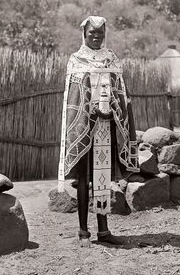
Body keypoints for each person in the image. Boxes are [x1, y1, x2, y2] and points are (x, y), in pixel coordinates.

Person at [58, 16, 139, 247]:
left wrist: (111, 106)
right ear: (84, 33)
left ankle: (103, 231)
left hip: (106, 124)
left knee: (102, 178)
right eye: (92, 33)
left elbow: (120, 90)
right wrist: (90, 105)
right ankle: (83, 232)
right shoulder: (76, 59)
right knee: (83, 180)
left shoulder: (111, 58)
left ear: (105, 35)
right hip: (84, 125)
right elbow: (74, 94)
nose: (96, 37)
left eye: (100, 34)